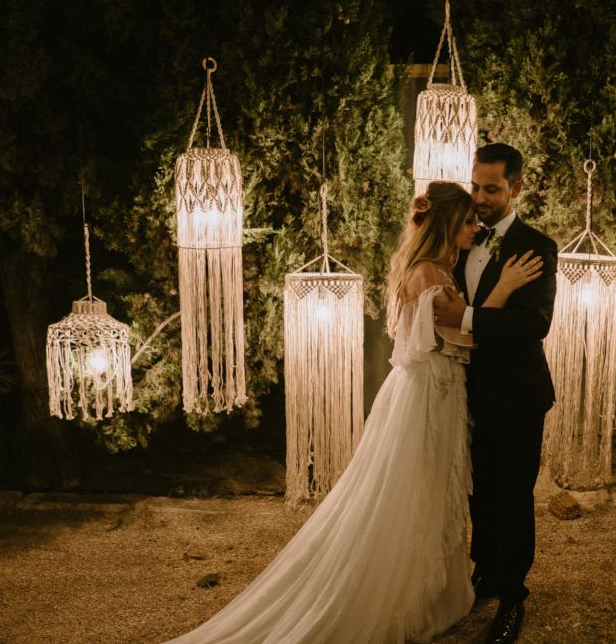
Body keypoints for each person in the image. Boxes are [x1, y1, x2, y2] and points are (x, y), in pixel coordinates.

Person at [165, 181, 542, 644]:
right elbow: (466, 336)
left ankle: (435, 587)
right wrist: (502, 289)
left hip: (428, 392)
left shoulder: (431, 267)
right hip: (427, 397)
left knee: (427, 491)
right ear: (446, 224)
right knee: (415, 492)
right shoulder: (431, 274)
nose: (474, 227)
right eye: (466, 221)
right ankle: (399, 592)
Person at [433, 143, 558, 643]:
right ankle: (483, 575)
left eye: (491, 189)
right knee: (478, 491)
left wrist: (465, 317)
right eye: (475, 186)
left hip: (518, 394)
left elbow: (535, 322)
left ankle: (512, 596)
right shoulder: (463, 236)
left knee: (512, 495)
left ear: (516, 188)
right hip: (466, 391)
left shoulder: (536, 246)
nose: (480, 198)